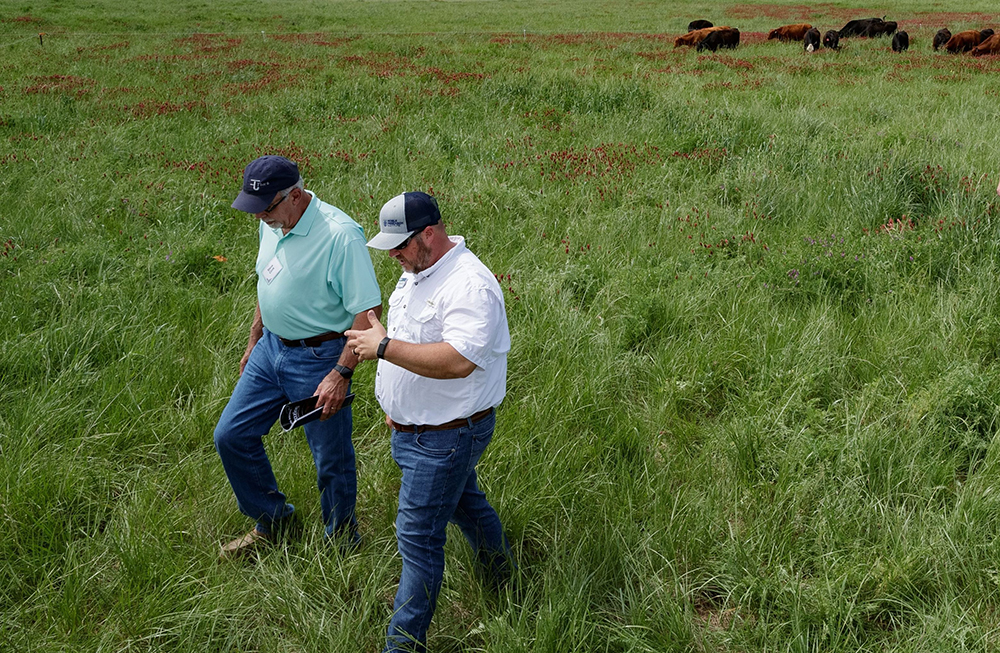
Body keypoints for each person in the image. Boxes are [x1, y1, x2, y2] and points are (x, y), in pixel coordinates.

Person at [346, 191, 514, 652]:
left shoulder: (469, 285)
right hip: (418, 429)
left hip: (448, 436)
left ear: (429, 233)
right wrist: (399, 405)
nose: (393, 256)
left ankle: (401, 646)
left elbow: (459, 360)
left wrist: (381, 349)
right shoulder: (416, 272)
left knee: (417, 538)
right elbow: (410, 339)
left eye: (399, 246)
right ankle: (505, 577)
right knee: (465, 503)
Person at [215, 155, 382, 557]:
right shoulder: (272, 222)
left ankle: (341, 543)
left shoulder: (341, 235)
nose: (260, 219)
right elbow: (266, 277)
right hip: (270, 348)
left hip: (320, 357)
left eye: (267, 209)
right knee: (231, 436)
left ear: (296, 195)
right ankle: (273, 522)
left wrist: (340, 374)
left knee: (331, 460)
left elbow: (367, 315)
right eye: (254, 211)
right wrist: (254, 336)